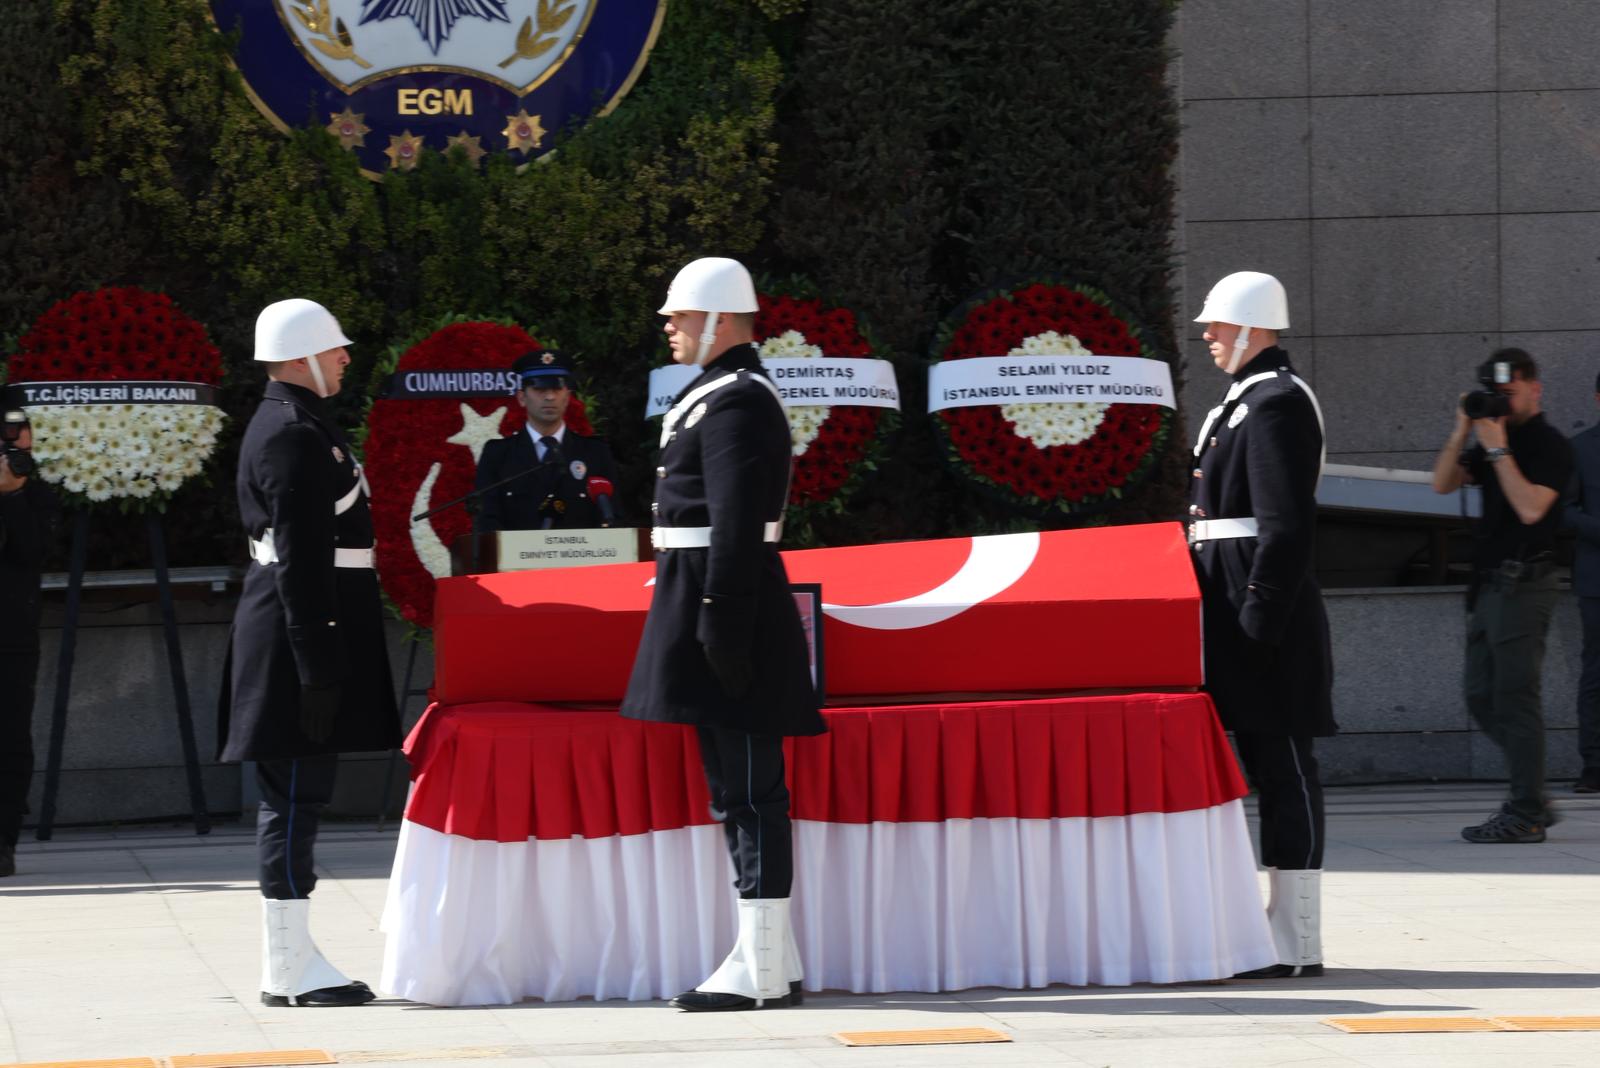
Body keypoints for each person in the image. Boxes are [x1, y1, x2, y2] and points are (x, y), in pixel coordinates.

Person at [620, 256, 824, 1012]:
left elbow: (736, 525)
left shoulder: (737, 401)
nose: (668, 326)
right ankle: (776, 956)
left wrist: (722, 622)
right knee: (736, 785)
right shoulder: (716, 395)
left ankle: (761, 969)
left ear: (719, 321)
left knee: (747, 790)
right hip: (706, 595)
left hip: (724, 601)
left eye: (679, 315)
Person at [217, 298, 401, 1006]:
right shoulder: (292, 433)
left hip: (304, 629)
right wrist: (317, 661)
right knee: (292, 798)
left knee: (300, 795)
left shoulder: (298, 424)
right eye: (337, 348)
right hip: (299, 635)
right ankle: (288, 968)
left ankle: (292, 961)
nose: (347, 358)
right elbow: (299, 558)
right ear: (302, 356)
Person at [1188, 271, 1334, 979]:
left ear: (1251, 328)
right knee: (1261, 768)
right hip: (1228, 606)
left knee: (1283, 769)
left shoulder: (1275, 403)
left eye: (1217, 325)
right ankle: (1259, 931)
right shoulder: (1245, 402)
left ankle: (1296, 937)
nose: (1208, 336)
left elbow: (1284, 528)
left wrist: (1257, 622)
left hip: (1257, 613)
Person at [1432, 348, 1573, 841]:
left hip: (1526, 581)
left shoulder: (1550, 445)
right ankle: (1530, 789)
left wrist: (1497, 449)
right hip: (1489, 584)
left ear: (1535, 388)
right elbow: (1442, 484)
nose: (1503, 404)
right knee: (1479, 696)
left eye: (1510, 394)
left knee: (1515, 698)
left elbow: (1532, 509)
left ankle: (1527, 810)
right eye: (1497, 395)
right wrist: (1462, 429)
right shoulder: (1493, 435)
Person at [472, 351, 620, 532]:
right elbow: (487, 522)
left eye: (557, 389)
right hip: (518, 559)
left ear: (567, 397)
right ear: (521, 397)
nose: (550, 397)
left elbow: (613, 517)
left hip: (582, 558)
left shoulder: (594, 453)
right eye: (540, 389)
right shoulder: (498, 455)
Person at [0, 408, 57, 877]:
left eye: (24, 433)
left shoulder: (33, 487)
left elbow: (35, 553)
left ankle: (3, 841)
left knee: (11, 738)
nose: (19, 443)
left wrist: (14, 497)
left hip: (12, 634)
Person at [1564, 372, 1600, 795]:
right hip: (1596, 581)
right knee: (1596, 674)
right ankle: (1594, 764)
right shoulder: (1580, 449)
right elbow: (1566, 512)